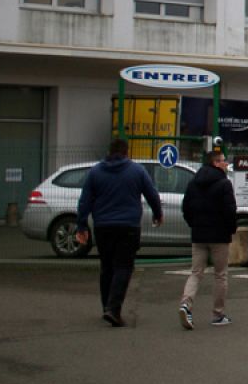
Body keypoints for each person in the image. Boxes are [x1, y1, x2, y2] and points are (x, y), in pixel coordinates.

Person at [75, 139, 163, 327]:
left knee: (107, 266)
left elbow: (85, 201)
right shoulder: (137, 171)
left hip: (103, 226)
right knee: (123, 266)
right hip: (128, 226)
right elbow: (152, 194)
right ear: (126, 152)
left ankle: (106, 306)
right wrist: (157, 214)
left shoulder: (95, 172)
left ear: (109, 151)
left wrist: (82, 225)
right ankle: (113, 309)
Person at [178, 148, 237, 329]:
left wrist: (194, 225)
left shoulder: (193, 183)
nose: (226, 164)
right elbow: (230, 210)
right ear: (216, 163)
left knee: (196, 273)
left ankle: (186, 304)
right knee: (220, 274)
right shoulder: (224, 184)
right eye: (223, 161)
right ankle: (218, 314)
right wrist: (231, 229)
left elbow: (186, 208)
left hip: (199, 234)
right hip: (219, 236)